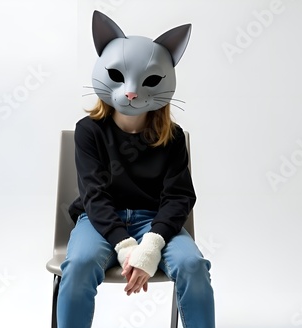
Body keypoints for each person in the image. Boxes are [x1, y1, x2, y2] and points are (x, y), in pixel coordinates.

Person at [57, 10, 215, 328]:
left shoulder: (171, 137)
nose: (131, 92)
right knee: (79, 264)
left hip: (154, 221)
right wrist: (126, 246)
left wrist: (151, 246)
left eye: (148, 81)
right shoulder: (89, 131)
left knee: (193, 265)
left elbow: (179, 196)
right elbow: (93, 194)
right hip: (99, 220)